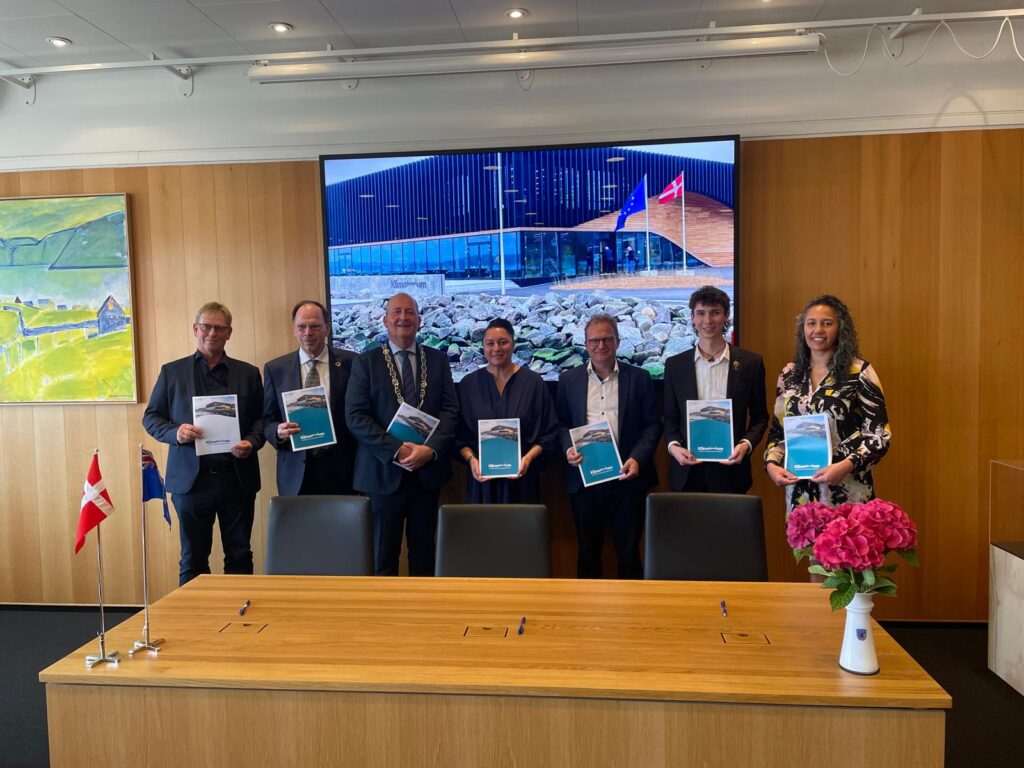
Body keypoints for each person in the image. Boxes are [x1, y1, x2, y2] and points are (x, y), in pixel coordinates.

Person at [142, 302, 265, 585]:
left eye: (219, 328)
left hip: (237, 480)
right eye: (206, 326)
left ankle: (239, 611)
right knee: (193, 560)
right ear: (195, 329)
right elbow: (151, 417)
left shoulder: (248, 373)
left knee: (240, 555)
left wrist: (251, 442)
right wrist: (175, 433)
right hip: (191, 483)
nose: (212, 333)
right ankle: (194, 614)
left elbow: (262, 419)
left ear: (229, 333)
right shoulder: (172, 372)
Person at [345, 292, 458, 576]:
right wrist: (397, 450)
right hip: (380, 474)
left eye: (410, 312)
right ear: (385, 320)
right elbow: (356, 416)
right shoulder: (366, 362)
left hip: (427, 474)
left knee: (424, 556)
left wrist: (430, 450)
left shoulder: (438, 360)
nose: (403, 317)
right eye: (396, 311)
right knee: (382, 558)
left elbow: (450, 411)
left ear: (419, 320)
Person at [557, 313, 662, 578]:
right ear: (585, 344)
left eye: (607, 339)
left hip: (627, 478)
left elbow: (652, 425)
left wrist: (638, 458)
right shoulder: (569, 380)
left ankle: (631, 605)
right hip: (585, 480)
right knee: (587, 553)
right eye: (594, 341)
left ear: (617, 341)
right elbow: (559, 424)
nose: (600, 346)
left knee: (629, 555)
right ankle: (586, 605)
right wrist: (568, 448)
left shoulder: (639, 378)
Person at [764, 294, 891, 510]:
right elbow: (778, 432)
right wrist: (771, 465)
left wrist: (846, 465)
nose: (818, 330)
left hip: (847, 490)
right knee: (803, 535)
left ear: (841, 328)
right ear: (803, 329)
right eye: (811, 323)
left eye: (827, 323)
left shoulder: (859, 372)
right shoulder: (789, 375)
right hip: (800, 493)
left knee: (846, 534)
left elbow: (879, 436)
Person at [663, 285, 768, 493]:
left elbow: (760, 417)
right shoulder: (675, 365)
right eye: (701, 313)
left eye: (715, 313)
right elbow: (670, 419)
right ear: (692, 317)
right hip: (687, 472)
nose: (708, 321)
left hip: (731, 471)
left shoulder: (750, 363)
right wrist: (674, 447)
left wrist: (745, 445)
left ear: (726, 315)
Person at [456, 319, 558, 504]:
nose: (496, 348)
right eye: (490, 343)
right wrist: (471, 460)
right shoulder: (468, 385)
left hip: (523, 480)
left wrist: (528, 458)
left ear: (513, 344)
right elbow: (458, 435)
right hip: (482, 483)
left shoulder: (533, 383)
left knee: (522, 523)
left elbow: (549, 433)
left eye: (503, 342)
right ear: (483, 347)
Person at [263, 300, 356, 496]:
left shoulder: (352, 363)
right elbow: (267, 419)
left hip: (340, 467)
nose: (308, 332)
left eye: (315, 326)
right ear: (294, 330)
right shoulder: (276, 369)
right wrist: (277, 431)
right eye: (301, 326)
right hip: (296, 469)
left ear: (327, 328)